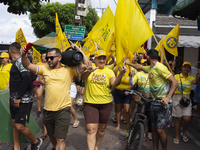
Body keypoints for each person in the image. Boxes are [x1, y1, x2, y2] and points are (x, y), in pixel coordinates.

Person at [21, 43, 88, 150]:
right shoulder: (44, 69)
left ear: (60, 57)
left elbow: (87, 64)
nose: (48, 60)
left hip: (63, 110)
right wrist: (24, 55)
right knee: (52, 137)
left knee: (60, 139)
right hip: (48, 110)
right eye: (47, 58)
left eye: (51, 58)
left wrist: (78, 49)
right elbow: (27, 65)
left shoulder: (69, 70)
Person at [125, 49, 178, 150]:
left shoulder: (160, 67)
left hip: (163, 104)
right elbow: (139, 67)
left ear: (148, 57)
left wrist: (168, 98)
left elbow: (174, 82)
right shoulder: (151, 68)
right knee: (153, 128)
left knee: (160, 130)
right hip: (154, 102)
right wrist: (128, 63)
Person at [81, 50, 127, 150]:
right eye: (99, 58)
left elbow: (114, 83)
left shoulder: (109, 71)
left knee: (101, 129)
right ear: (95, 59)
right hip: (90, 103)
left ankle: (96, 146)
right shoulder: (90, 67)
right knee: (91, 129)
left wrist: (121, 74)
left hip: (106, 104)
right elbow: (83, 77)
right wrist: (89, 71)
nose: (102, 60)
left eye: (103, 58)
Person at [8, 42, 43, 150]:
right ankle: (16, 147)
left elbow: (27, 78)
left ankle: (36, 141)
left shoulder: (20, 61)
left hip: (23, 99)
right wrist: (12, 97)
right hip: (15, 98)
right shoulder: (16, 62)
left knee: (19, 126)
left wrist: (18, 97)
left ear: (10, 51)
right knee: (14, 123)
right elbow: (16, 81)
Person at [172, 62, 199, 144]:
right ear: (181, 68)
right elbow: (170, 81)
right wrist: (172, 68)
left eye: (188, 67)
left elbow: (196, 82)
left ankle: (184, 131)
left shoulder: (191, 78)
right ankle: (176, 135)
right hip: (177, 98)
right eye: (185, 67)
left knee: (187, 119)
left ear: (190, 70)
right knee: (178, 119)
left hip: (186, 99)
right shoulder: (176, 76)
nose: (186, 68)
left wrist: (198, 76)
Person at [129, 59, 152, 140]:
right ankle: (139, 131)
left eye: (147, 64)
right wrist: (131, 76)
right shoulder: (138, 74)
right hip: (141, 98)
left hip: (150, 98)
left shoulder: (152, 74)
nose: (145, 65)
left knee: (149, 115)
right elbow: (132, 83)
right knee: (141, 114)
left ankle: (149, 131)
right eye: (143, 64)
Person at [35, 53, 47, 117]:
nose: (44, 57)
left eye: (45, 56)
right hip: (39, 81)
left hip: (47, 80)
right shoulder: (38, 64)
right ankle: (39, 110)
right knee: (39, 96)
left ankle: (45, 109)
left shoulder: (49, 63)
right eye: (43, 56)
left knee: (46, 97)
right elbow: (34, 70)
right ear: (41, 57)